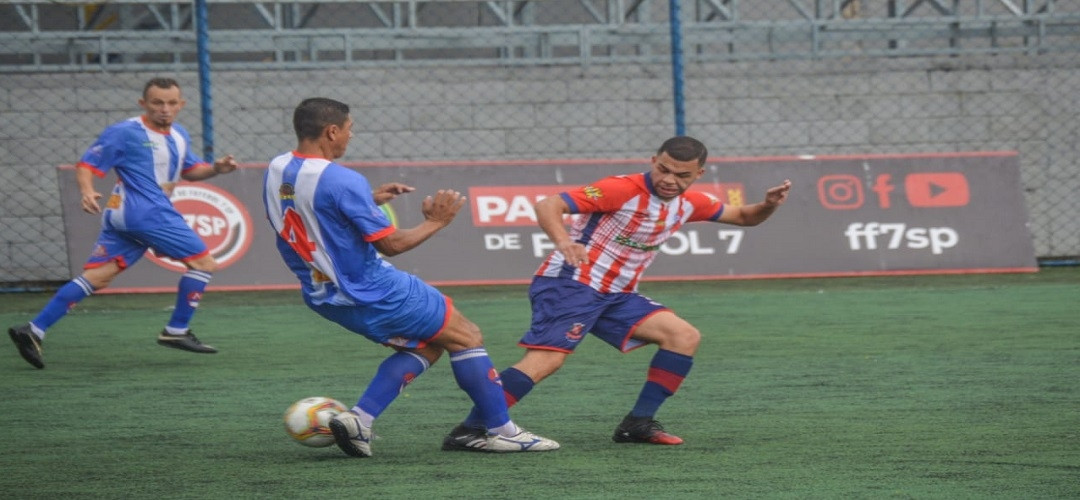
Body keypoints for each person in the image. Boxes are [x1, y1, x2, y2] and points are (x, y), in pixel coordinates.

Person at [443, 136, 792, 449]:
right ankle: (471, 429)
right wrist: (565, 242)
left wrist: (769, 205)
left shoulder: (690, 203)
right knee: (547, 359)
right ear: (653, 161)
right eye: (664, 170)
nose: (670, 180)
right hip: (571, 283)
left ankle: (637, 425)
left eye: (682, 175)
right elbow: (548, 204)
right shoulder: (620, 189)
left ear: (699, 174)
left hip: (617, 295)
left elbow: (745, 216)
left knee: (683, 336)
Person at [263, 97, 558, 457]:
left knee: (427, 345)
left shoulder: (277, 168)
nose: (350, 137)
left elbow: (305, 210)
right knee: (466, 336)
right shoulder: (342, 180)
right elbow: (391, 244)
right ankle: (501, 430)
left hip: (324, 296)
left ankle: (360, 420)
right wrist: (437, 221)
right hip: (375, 290)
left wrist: (366, 200)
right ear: (332, 131)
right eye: (350, 130)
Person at [7, 77, 239, 369]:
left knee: (100, 276)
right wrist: (87, 190)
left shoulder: (179, 134)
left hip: (125, 216)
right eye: (157, 103)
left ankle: (33, 329)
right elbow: (87, 165)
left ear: (181, 105)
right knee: (204, 264)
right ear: (144, 104)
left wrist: (216, 169)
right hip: (146, 212)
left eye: (171, 103)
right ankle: (176, 331)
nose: (164, 109)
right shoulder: (124, 132)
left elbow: (191, 171)